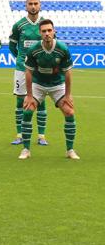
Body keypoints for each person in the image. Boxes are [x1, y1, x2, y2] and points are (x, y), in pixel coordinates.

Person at [18, 19, 79, 160]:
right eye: (44, 31)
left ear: (54, 31)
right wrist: (28, 95)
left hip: (57, 85)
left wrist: (68, 95)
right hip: (38, 84)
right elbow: (28, 72)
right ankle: (26, 149)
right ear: (40, 33)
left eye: (49, 30)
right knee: (27, 111)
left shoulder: (62, 48)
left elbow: (68, 73)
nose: (47, 33)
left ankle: (70, 150)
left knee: (69, 112)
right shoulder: (33, 49)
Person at [9, 0, 48, 146]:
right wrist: (21, 59)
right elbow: (13, 46)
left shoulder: (45, 26)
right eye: (30, 3)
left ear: (40, 5)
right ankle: (20, 134)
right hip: (22, 68)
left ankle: (41, 136)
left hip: (40, 69)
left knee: (41, 101)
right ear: (26, 6)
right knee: (20, 100)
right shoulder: (19, 25)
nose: (33, 6)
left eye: (35, 3)